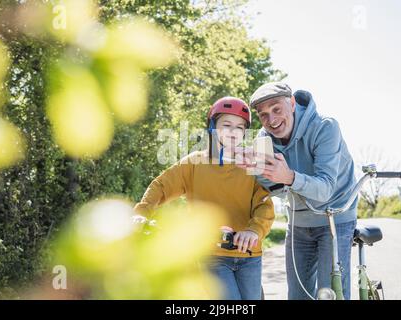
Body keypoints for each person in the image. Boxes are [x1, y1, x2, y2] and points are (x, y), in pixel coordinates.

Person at [133, 97, 275, 300]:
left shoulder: (251, 165)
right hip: (211, 254)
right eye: (226, 125)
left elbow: (264, 204)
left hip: (250, 254)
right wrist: (141, 212)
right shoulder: (194, 163)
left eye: (239, 127)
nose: (233, 132)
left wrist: (254, 230)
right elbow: (161, 186)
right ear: (212, 127)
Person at [237, 81, 357, 300]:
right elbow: (269, 189)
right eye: (263, 115)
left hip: (335, 217)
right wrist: (250, 174)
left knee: (329, 294)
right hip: (299, 221)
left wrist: (289, 177)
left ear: (291, 103)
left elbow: (325, 189)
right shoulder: (263, 139)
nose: (271, 120)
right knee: (297, 296)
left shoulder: (325, 127)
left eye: (276, 109)